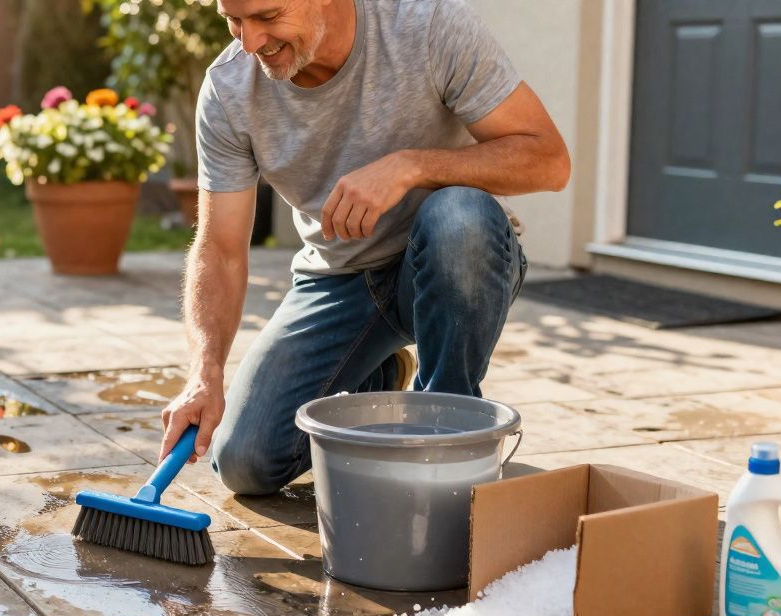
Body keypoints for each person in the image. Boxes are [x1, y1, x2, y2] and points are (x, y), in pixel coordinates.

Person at [159, 0, 570, 495]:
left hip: (455, 256)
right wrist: (204, 371)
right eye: (233, 20)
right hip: (340, 278)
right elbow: (220, 248)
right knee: (244, 463)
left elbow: (549, 161)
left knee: (460, 216)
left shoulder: (429, 27)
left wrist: (411, 167)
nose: (250, 43)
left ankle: (448, 436)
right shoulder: (229, 89)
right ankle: (376, 377)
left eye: (268, 17)